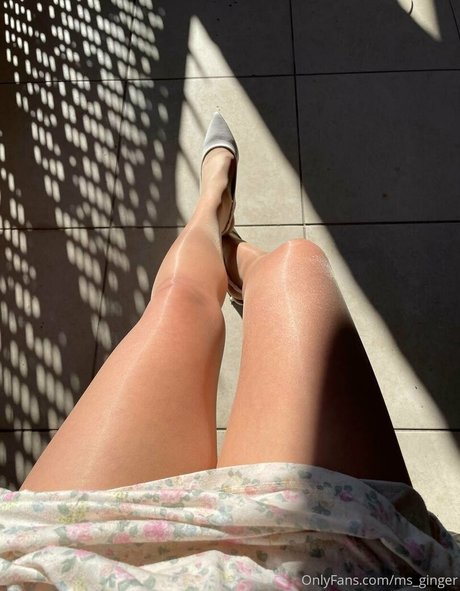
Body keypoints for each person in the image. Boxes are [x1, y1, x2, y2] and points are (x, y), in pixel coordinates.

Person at [0, 113, 459, 590]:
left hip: (64, 567)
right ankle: (235, 253)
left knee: (179, 299)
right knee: (296, 263)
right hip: (330, 566)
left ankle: (211, 211)